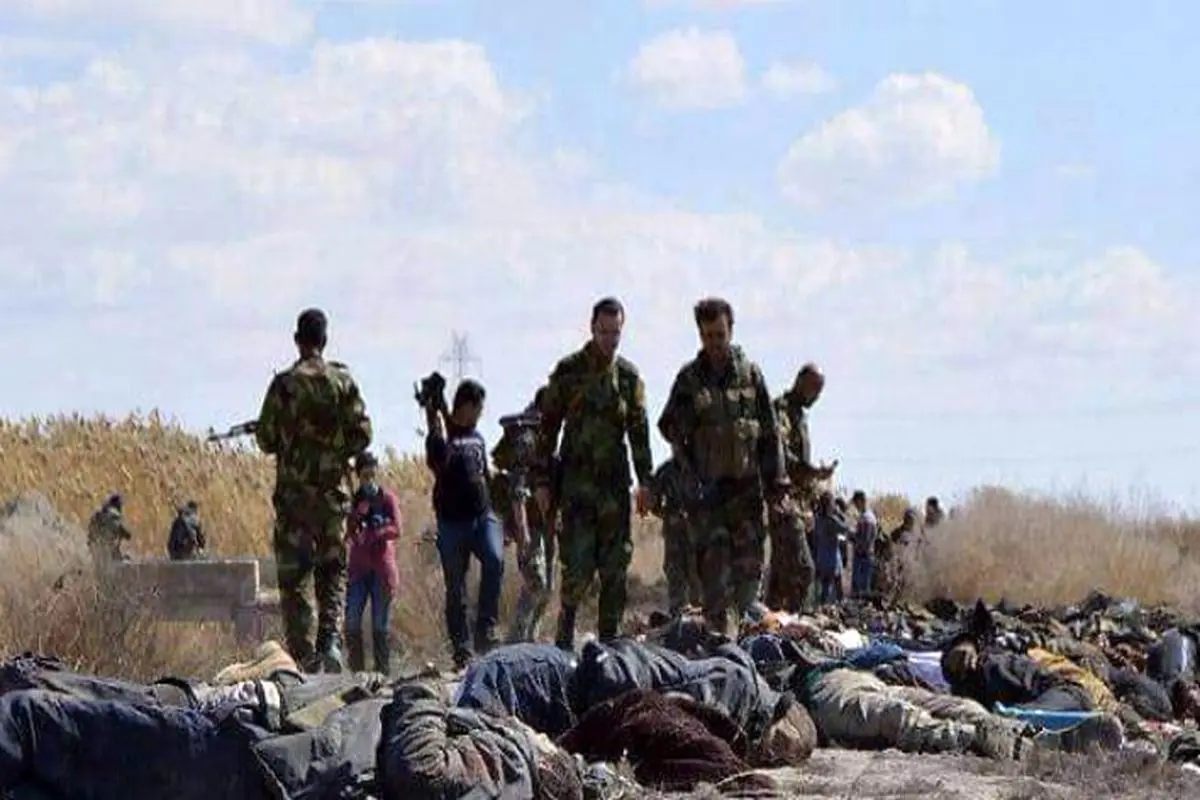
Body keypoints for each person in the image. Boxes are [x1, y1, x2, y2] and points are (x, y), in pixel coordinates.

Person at [657, 297, 789, 637]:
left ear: (731, 330)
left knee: (748, 581)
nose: (714, 343)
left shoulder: (751, 376)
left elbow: (770, 434)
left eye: (720, 335)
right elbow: (670, 427)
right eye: (707, 336)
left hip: (746, 494)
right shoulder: (690, 379)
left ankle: (740, 634)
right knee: (714, 583)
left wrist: (777, 487)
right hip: (709, 499)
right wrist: (688, 472)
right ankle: (721, 645)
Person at [255, 308, 373, 673]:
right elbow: (363, 434)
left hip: (294, 499)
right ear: (324, 340)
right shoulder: (342, 381)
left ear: (297, 340)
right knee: (332, 570)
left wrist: (293, 439)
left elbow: (265, 438)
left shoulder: (284, 385)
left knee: (295, 578)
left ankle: (304, 655)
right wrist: (334, 449)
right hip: (332, 496)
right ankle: (330, 641)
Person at [534, 297, 654, 649]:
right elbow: (547, 428)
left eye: (615, 333)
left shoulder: (628, 378)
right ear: (592, 328)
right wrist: (541, 481)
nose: (609, 340)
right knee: (578, 566)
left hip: (614, 487)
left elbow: (639, 434)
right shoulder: (569, 371)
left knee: (615, 568)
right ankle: (564, 639)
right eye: (604, 332)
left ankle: (609, 644)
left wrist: (646, 482)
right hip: (577, 487)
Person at [425, 378, 505, 668]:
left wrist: (501, 513)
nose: (480, 414)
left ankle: (486, 628)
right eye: (478, 408)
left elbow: (486, 474)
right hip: (452, 523)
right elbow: (437, 461)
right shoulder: (442, 437)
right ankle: (461, 647)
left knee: (495, 560)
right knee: (456, 585)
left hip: (483, 517)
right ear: (466, 406)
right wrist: (433, 417)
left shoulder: (477, 438)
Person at [493, 386, 559, 644]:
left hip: (545, 524)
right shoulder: (526, 437)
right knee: (536, 583)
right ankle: (515, 640)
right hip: (529, 525)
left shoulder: (547, 435)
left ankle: (530, 638)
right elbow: (517, 490)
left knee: (548, 587)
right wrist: (522, 534)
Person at [765, 364, 834, 612]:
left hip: (797, 502)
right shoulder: (781, 411)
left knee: (781, 575)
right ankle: (792, 620)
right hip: (783, 502)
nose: (816, 398)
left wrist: (813, 486)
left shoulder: (799, 415)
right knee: (803, 570)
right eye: (814, 390)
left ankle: (771, 623)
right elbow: (782, 456)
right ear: (801, 382)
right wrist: (813, 472)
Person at [344, 451, 401, 674]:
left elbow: (396, 529)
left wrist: (377, 531)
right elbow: (348, 531)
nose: (369, 480)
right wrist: (357, 517)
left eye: (372, 475)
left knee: (380, 624)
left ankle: (382, 672)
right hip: (358, 570)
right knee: (352, 621)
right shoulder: (354, 500)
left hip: (381, 569)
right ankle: (356, 672)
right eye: (364, 476)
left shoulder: (387, 499)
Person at [647, 457, 702, 616]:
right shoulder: (666, 471)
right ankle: (677, 618)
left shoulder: (702, 466)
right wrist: (667, 515)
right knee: (675, 575)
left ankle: (699, 620)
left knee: (698, 575)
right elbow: (653, 500)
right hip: (674, 535)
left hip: (698, 532)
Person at [812, 490, 849, 605]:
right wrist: (840, 513)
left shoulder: (818, 518)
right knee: (838, 588)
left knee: (825, 587)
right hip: (832, 557)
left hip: (821, 556)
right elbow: (845, 527)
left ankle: (822, 606)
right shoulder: (831, 519)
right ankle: (839, 606)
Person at [87, 493, 133, 564]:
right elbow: (119, 528)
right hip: (107, 549)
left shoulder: (98, 514)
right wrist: (125, 533)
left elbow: (90, 533)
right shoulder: (113, 514)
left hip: (95, 549)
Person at [849, 490, 877, 598]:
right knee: (860, 589)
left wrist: (853, 537)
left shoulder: (867, 518)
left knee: (861, 590)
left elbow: (866, 540)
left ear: (861, 501)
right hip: (864, 556)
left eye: (856, 503)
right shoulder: (865, 516)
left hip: (864, 557)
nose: (856, 506)